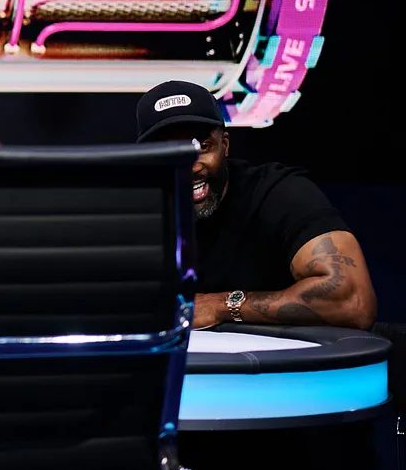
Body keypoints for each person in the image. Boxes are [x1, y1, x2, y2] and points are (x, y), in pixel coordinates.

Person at [135, 81, 375, 330]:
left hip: (284, 353)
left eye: (203, 147)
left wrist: (220, 306)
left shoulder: (278, 194)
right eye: (171, 152)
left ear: (225, 145)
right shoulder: (129, 214)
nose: (191, 167)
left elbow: (354, 302)